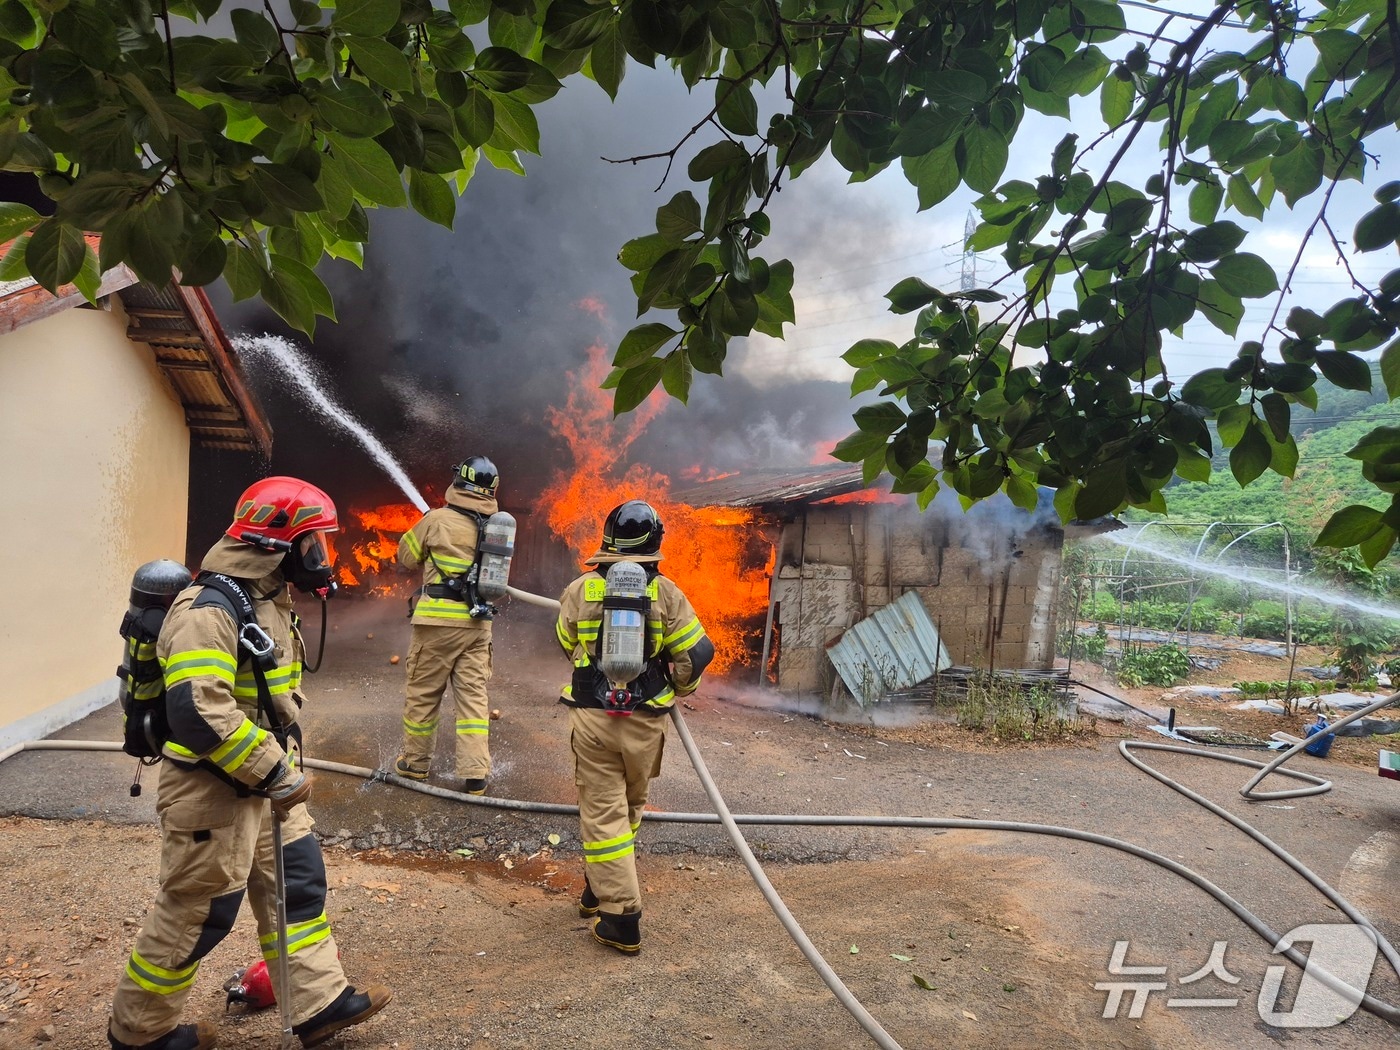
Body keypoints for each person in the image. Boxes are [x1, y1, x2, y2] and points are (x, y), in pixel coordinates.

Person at [108, 477, 391, 1050]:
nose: (322, 557)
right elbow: (195, 711)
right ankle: (141, 1033)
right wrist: (277, 772)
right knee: (199, 911)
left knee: (298, 885)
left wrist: (273, 771)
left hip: (261, 783)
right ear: (275, 544)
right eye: (314, 544)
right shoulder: (206, 610)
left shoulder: (260, 595)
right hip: (215, 790)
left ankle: (318, 1004)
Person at [554, 499, 715, 953]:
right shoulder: (667, 593)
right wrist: (680, 686)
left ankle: (621, 917)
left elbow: (564, 639)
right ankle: (598, 887)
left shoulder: (581, 588)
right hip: (647, 721)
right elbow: (693, 654)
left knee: (603, 812)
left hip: (594, 717)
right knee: (627, 807)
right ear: (654, 545)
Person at [393, 455, 501, 794]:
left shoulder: (437, 519)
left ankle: (415, 764)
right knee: (473, 699)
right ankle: (475, 774)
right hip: (478, 626)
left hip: (437, 623)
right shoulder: (498, 527)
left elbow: (405, 556)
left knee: (424, 694)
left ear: (460, 483)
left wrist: (426, 524)